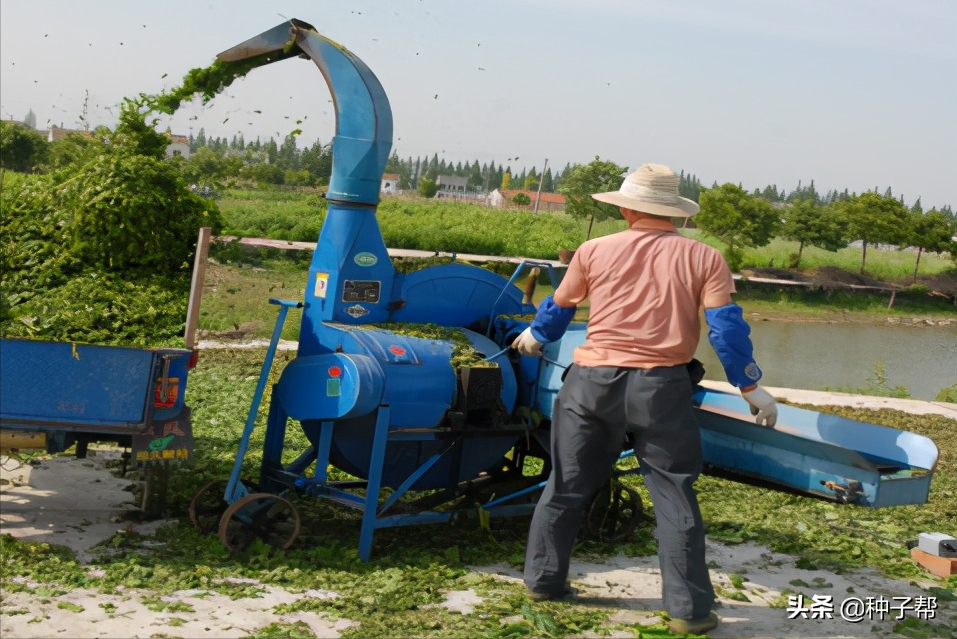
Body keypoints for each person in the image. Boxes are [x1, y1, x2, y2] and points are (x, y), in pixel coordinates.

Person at [511, 163, 778, 635]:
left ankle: (543, 582)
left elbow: (561, 307)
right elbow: (726, 328)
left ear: (627, 207)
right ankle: (689, 613)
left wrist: (535, 335)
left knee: (567, 486)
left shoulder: (593, 250)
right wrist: (750, 386)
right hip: (661, 389)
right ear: (673, 212)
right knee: (674, 493)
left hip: (590, 385)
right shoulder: (705, 258)